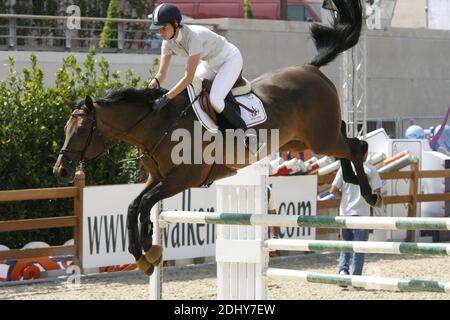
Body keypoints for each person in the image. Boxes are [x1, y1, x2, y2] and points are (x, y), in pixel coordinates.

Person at [148, 3, 264, 154]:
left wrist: (166, 97)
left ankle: (251, 137)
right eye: (159, 29)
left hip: (229, 60)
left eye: (164, 28)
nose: (161, 33)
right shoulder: (167, 43)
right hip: (210, 63)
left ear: (176, 24)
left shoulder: (193, 37)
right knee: (190, 91)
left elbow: (188, 77)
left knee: (215, 99)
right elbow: (161, 75)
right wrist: (147, 91)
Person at [329, 140, 382, 279]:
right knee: (359, 247)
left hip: (345, 211)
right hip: (362, 213)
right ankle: (356, 276)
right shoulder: (371, 169)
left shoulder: (344, 169)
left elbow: (333, 190)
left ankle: (343, 271)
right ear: (365, 153)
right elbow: (378, 194)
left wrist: (344, 199)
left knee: (345, 244)